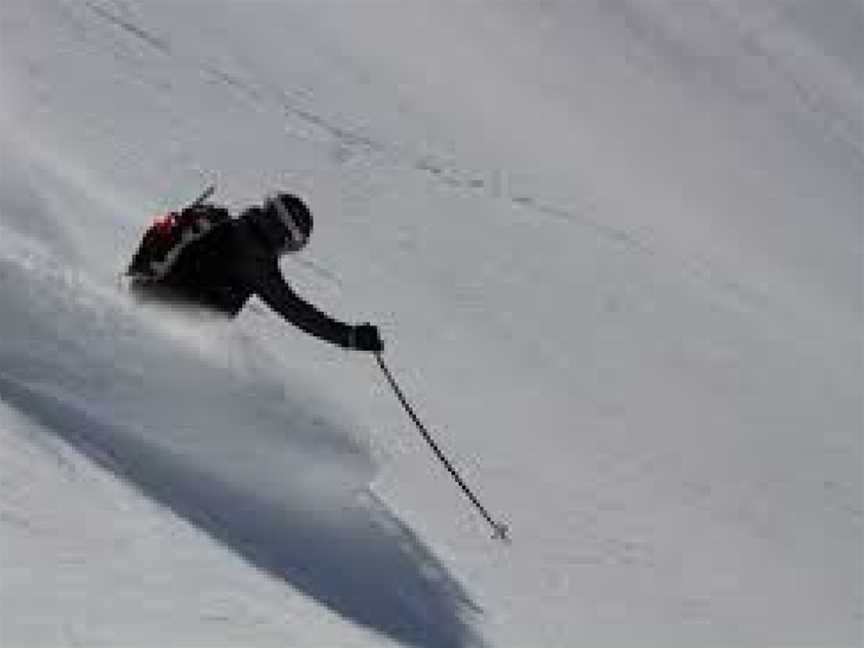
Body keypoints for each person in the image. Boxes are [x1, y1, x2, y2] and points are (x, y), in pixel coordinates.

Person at [126, 192, 384, 353]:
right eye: (292, 244)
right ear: (283, 233)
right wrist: (349, 337)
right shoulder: (255, 260)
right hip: (168, 324)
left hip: (147, 294)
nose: (287, 250)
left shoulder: (227, 223)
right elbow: (295, 311)